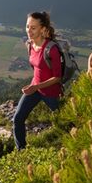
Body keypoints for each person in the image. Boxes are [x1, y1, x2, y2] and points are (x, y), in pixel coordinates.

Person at [11, 11, 63, 150]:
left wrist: (36, 86)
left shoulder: (51, 49)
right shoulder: (30, 45)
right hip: (35, 88)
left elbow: (58, 77)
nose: (29, 30)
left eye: (33, 27)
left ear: (43, 29)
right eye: (27, 26)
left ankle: (72, 146)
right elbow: (38, 70)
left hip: (51, 92)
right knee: (18, 119)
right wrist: (34, 85)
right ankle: (21, 151)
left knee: (64, 122)